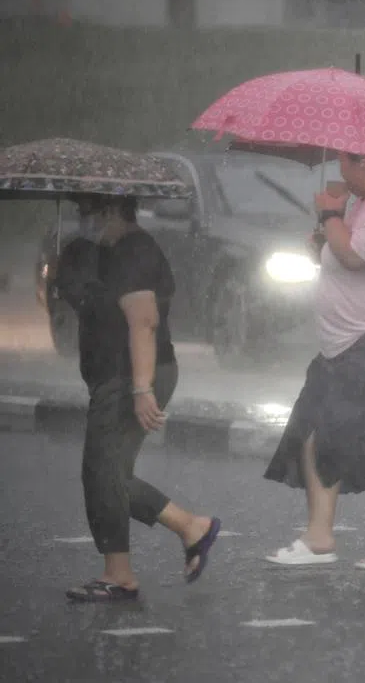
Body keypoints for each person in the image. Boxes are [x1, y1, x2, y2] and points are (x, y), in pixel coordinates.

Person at [264, 150, 365, 571]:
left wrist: (331, 216)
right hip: (342, 345)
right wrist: (324, 239)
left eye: (345, 162)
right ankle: (319, 535)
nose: (340, 171)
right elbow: (343, 253)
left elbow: (357, 256)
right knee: (314, 432)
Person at [61, 195, 220, 603]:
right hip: (116, 374)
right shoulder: (107, 251)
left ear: (111, 211)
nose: (84, 221)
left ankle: (120, 573)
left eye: (87, 212)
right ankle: (191, 528)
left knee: (103, 471)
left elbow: (144, 322)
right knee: (109, 473)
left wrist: (141, 388)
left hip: (130, 373)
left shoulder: (134, 251)